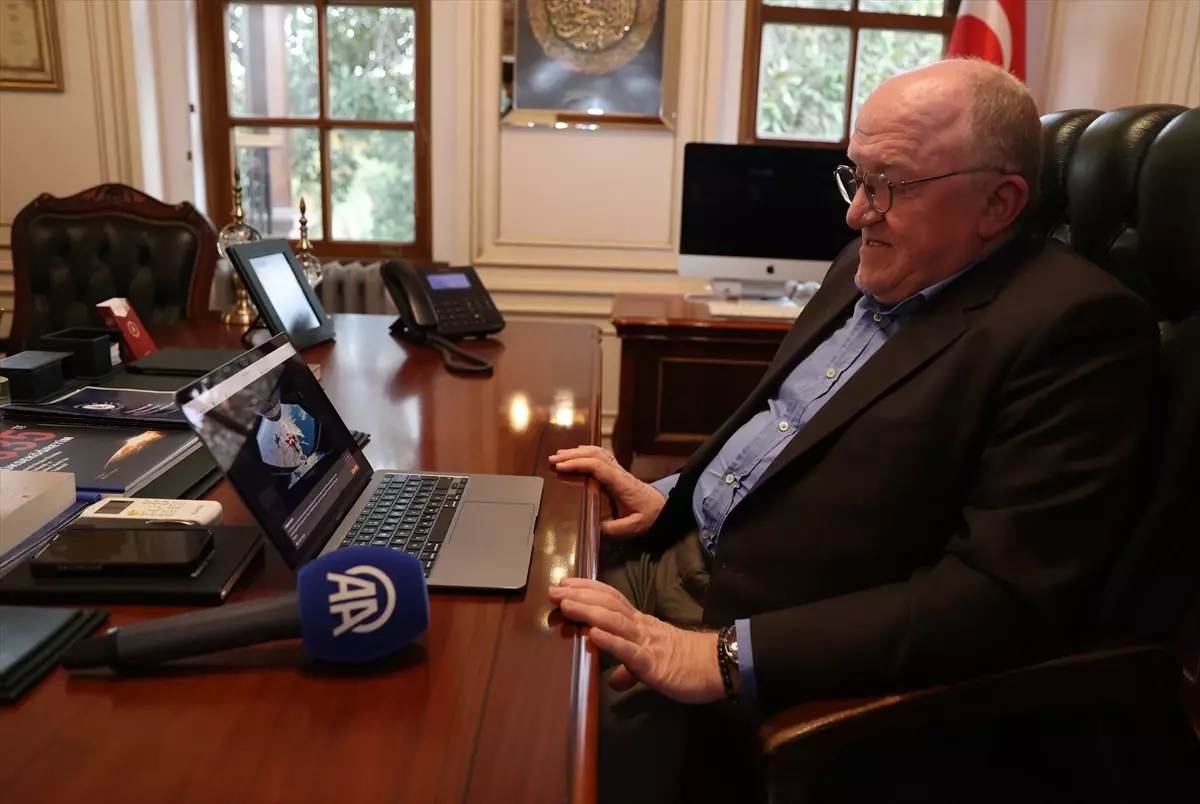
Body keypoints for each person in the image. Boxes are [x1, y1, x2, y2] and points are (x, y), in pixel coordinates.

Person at [547, 59, 1161, 803]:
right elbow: (788, 426)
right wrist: (674, 492)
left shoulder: (1075, 331)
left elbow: (1000, 598)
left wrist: (724, 656)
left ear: (998, 203)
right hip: (678, 548)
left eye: (888, 186)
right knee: (507, 612)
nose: (855, 213)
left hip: (775, 640)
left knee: (527, 744)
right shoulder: (865, 261)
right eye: (855, 176)